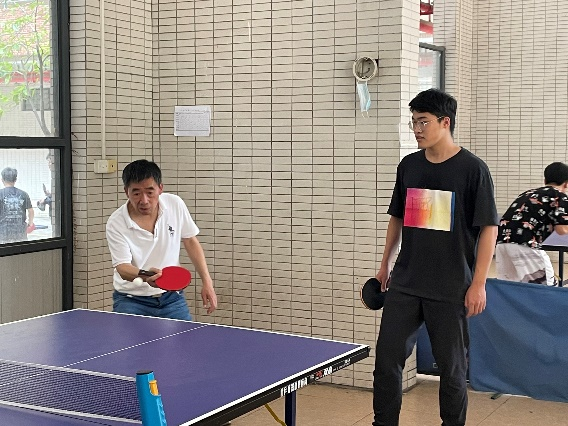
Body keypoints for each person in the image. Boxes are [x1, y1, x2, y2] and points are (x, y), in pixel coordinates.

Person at [372, 89, 499, 426]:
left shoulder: (473, 170)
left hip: (451, 286)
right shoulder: (409, 166)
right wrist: (385, 264)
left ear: (445, 122)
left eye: (423, 122)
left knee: (453, 371)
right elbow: (397, 217)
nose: (417, 129)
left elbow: (489, 229)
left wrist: (479, 283)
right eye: (413, 122)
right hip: (406, 282)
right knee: (386, 363)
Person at [106, 159, 218, 320]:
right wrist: (147, 276)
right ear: (126, 192)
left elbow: (191, 241)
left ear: (160, 188)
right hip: (131, 301)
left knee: (185, 337)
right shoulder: (116, 222)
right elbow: (123, 267)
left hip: (172, 298)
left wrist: (207, 282)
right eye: (136, 193)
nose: (144, 200)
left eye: (150, 192)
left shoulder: (175, 204)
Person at [495, 162, 568, 286]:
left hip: (502, 243)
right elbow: (562, 230)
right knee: (547, 287)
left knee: (511, 288)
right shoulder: (559, 196)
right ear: (566, 184)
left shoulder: (527, 193)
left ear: (545, 180)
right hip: (525, 244)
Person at [0, 167, 34, 243]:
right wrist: (30, 223)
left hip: (3, 232)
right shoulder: (24, 194)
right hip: (20, 232)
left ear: (2, 180)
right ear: (15, 180)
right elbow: (31, 211)